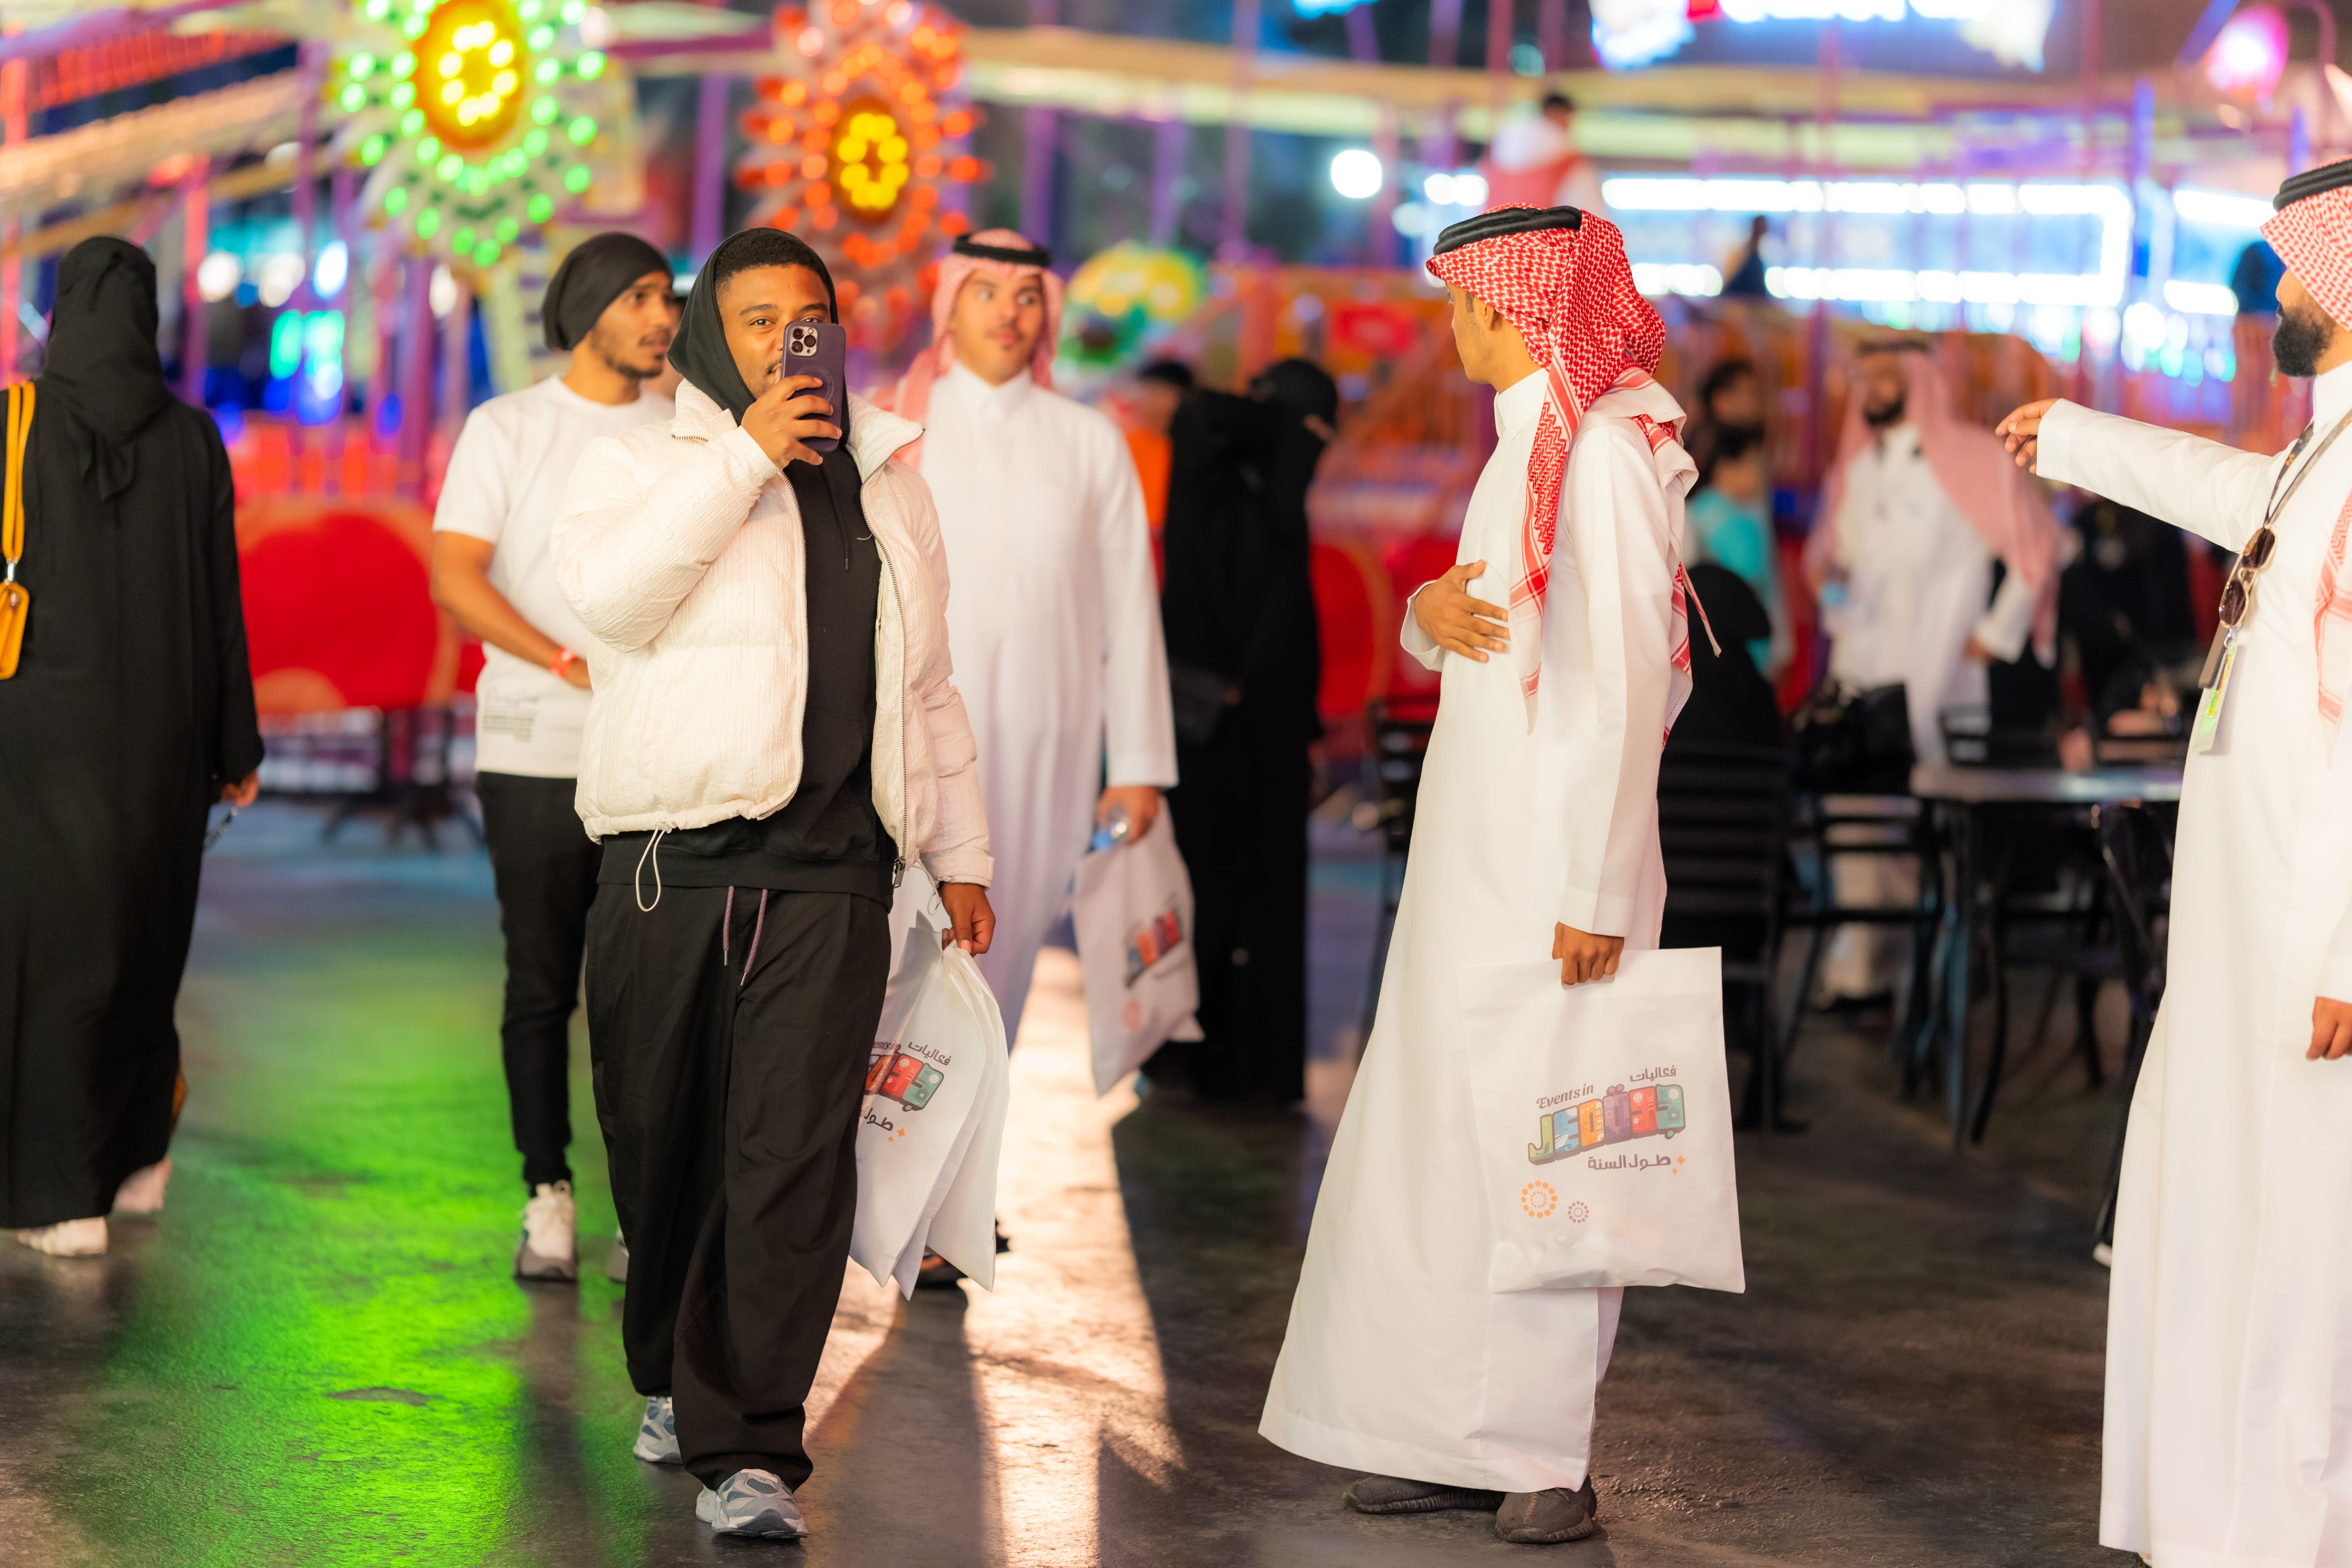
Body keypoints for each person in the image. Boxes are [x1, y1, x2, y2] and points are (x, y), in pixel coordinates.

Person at [1261, 203, 1704, 1546]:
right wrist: (1422, 613)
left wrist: (1597, 888)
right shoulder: (1525, 447)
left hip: (1559, 877)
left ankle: (1542, 1453)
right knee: (1447, 1145)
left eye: (1460, 301)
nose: (1452, 324)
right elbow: (1484, 616)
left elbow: (1633, 685)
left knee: (1555, 1154)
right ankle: (1441, 1436)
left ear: (1505, 308)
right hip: (1475, 866)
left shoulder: (1604, 453)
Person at [552, 227, 994, 1540]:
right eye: (756, 321)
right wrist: (745, 454)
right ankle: (668, 1373)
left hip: (836, 871)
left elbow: (929, 687)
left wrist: (963, 854)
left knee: (792, 1158)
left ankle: (747, 1441)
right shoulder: (641, 457)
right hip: (670, 863)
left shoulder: (891, 479)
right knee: (663, 1143)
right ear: (710, 334)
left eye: (806, 318)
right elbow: (610, 604)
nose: (784, 343)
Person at [1997, 157, 2352, 1568]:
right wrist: (2078, 438)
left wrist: (2345, 953)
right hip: (2248, 920)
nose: (2284, 294)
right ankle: (2226, 1515)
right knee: (2233, 1203)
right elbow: (2229, 487)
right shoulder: (2325, 449)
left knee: (2304, 1236)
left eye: (2303, 266)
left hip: (2310, 937)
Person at [0, 237, 262, 1256]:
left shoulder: (16, 423)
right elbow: (222, 606)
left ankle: (63, 1198)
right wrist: (236, 745)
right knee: (145, 941)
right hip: (164, 739)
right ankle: (139, 1159)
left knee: (49, 957)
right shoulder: (195, 439)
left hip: (39, 738)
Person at [430, 232, 679, 1284]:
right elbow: (455, 575)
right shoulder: (510, 426)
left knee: (647, 995)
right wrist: (562, 661)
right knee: (542, 982)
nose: (663, 318)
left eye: (668, 298)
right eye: (640, 298)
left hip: (655, 756)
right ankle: (548, 1193)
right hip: (534, 745)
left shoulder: (687, 430)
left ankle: (643, 1207)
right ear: (586, 309)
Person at [877, 231, 1176, 1047]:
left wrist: (1139, 766)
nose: (1007, 313)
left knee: (1005, 949)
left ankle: (980, 1124)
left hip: (1052, 738)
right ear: (950, 304)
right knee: (898, 960)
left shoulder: (1091, 440)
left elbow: (1130, 609)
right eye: (986, 292)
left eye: (1026, 297)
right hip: (912, 741)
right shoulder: (892, 424)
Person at [1805, 341, 2058, 1002]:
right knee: (1859, 823)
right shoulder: (1855, 469)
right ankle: (1863, 974)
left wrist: (1994, 634)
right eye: (1865, 377)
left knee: (1935, 832)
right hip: (1861, 680)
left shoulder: (1972, 459)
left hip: (1937, 679)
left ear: (1920, 380)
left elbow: (2038, 548)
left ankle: (1940, 981)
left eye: (1887, 375)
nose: (1872, 389)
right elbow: (1834, 566)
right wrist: (1832, 591)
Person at [1149, 357, 1332, 1103]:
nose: (1318, 447)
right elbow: (1200, 416)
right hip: (1210, 730)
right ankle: (1192, 1053)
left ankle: (1252, 1065)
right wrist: (1276, 420)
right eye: (1312, 430)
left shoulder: (1267, 493)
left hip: (1271, 733)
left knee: (1260, 899)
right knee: (1205, 890)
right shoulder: (1217, 480)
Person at [1683, 426, 1786, 675]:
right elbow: (1752, 591)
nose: (1762, 474)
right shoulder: (1742, 524)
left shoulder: (1692, 509)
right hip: (1741, 652)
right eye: (1754, 464)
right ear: (1726, 467)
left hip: (1695, 648)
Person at [1483, 91, 1607, 216]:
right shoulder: (1569, 160)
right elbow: (1590, 213)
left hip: (1495, 227)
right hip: (1549, 228)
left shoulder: (1498, 151)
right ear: (1565, 115)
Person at [1721, 215, 1772, 298]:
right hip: (1739, 300)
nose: (1764, 230)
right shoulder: (1741, 252)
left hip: (1754, 300)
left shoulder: (1761, 251)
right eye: (1761, 226)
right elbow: (1731, 280)